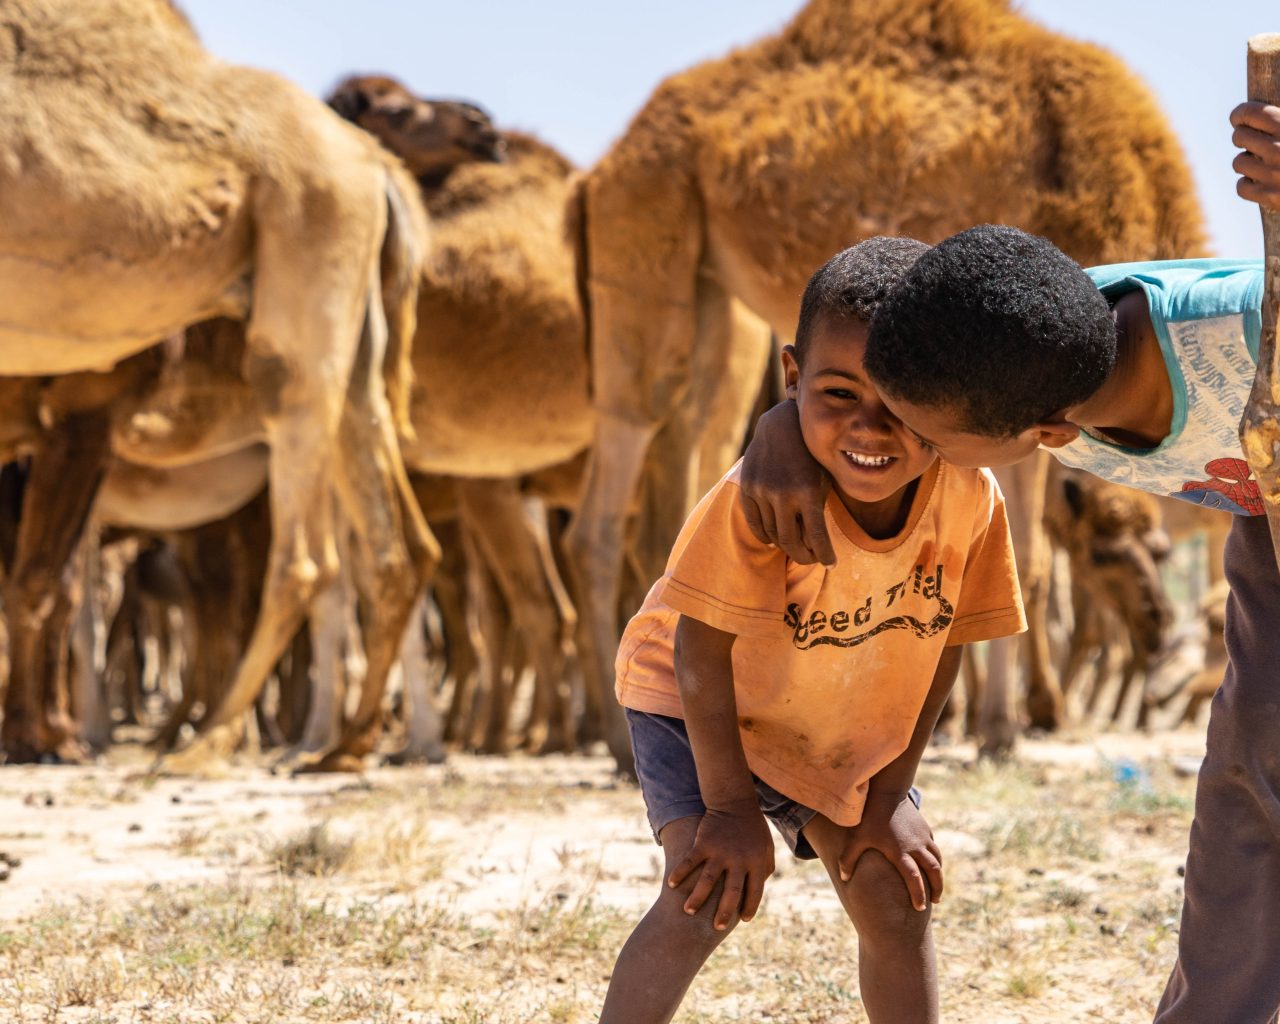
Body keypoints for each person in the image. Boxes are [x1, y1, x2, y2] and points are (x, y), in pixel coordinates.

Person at [735, 101, 1280, 1024]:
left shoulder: (1244, 331)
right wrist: (780, 429)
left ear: (1045, 438)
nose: (896, 442)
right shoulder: (1019, 336)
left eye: (925, 438)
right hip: (1265, 516)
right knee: (1248, 772)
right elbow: (875, 329)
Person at [600, 237, 1026, 1024]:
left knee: (894, 896)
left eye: (905, 401)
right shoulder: (764, 499)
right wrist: (728, 812)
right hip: (698, 706)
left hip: (831, 723)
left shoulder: (971, 500)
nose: (872, 427)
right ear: (792, 376)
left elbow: (948, 646)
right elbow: (699, 652)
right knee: (706, 892)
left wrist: (890, 792)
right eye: (838, 393)